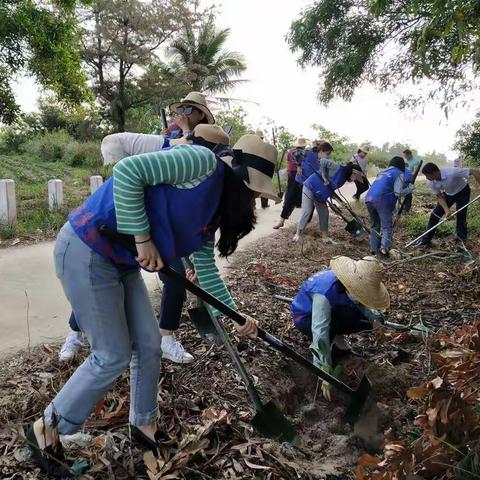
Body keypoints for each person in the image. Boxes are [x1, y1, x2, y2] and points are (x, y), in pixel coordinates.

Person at [27, 129, 278, 476]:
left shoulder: (214, 212)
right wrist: (143, 239)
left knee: (149, 346)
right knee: (111, 353)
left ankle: (143, 429)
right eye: (252, 190)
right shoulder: (200, 161)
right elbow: (129, 172)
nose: (253, 198)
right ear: (239, 175)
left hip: (122, 261)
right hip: (87, 247)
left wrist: (235, 316)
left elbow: (206, 270)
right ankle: (48, 426)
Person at [59, 93, 217, 363]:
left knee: (176, 276)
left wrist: (191, 260)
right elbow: (129, 170)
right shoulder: (166, 141)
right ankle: (75, 332)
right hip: (129, 220)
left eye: (189, 109)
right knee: (105, 277)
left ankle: (166, 337)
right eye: (181, 108)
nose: (182, 113)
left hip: (163, 226)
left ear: (201, 114)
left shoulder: (205, 157)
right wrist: (142, 239)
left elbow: (194, 224)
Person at [291, 256, 389, 400]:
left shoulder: (347, 284)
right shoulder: (324, 293)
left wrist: (375, 319)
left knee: (359, 318)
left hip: (334, 309)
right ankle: (332, 347)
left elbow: (362, 304)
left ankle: (337, 337)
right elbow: (320, 332)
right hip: (306, 317)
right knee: (328, 332)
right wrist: (324, 372)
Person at [419, 162, 480, 247]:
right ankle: (425, 241)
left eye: (427, 176)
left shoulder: (452, 172)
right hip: (449, 194)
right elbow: (439, 197)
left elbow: (474, 171)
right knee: (435, 214)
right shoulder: (431, 182)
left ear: (434, 173)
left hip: (463, 192)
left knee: (461, 215)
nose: (427, 178)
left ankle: (461, 241)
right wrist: (447, 211)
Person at [365, 157, 415, 257]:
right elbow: (398, 192)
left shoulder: (383, 172)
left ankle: (373, 249)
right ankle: (384, 250)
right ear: (401, 166)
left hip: (369, 199)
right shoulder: (399, 173)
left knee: (375, 225)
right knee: (387, 227)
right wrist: (410, 189)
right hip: (382, 201)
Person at [293, 142, 340, 243]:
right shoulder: (309, 153)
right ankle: (298, 234)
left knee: (324, 211)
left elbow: (329, 182)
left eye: (330, 154)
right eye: (327, 153)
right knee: (307, 210)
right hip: (308, 185)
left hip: (319, 189)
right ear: (321, 151)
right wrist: (298, 165)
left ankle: (325, 237)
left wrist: (338, 200)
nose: (329, 156)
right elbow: (295, 153)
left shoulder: (326, 161)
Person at [273, 137, 307, 229]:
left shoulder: (306, 153)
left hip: (302, 176)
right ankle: (282, 220)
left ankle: (302, 223)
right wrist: (289, 170)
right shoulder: (293, 152)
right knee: (291, 197)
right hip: (294, 175)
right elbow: (289, 162)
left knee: (305, 198)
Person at [255, 130, 270, 209]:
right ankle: (264, 204)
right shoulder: (265, 146)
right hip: (262, 169)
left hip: (254, 169)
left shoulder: (252, 145)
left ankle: (253, 205)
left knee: (254, 187)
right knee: (263, 187)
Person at [402, 149, 420, 213]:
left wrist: (410, 178)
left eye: (405, 156)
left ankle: (406, 209)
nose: (405, 157)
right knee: (402, 193)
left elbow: (415, 172)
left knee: (408, 194)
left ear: (409, 155)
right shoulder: (406, 161)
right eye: (404, 156)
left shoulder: (415, 162)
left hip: (409, 180)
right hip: (403, 179)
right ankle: (402, 207)